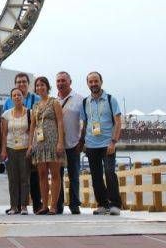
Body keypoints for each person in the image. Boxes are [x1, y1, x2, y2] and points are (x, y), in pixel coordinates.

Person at [80, 71, 123, 216]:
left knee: (110, 172)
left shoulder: (111, 99)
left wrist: (113, 141)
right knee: (96, 176)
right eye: (90, 82)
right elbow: (85, 123)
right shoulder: (85, 102)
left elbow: (118, 122)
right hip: (91, 144)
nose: (93, 84)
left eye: (96, 81)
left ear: (101, 82)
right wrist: (83, 141)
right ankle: (102, 204)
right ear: (87, 84)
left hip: (107, 144)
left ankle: (115, 204)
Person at [3, 72, 42, 213]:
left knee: (32, 177)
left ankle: (36, 205)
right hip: (12, 145)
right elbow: (5, 127)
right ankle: (15, 205)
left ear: (28, 83)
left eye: (24, 82)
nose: (21, 84)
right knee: (14, 178)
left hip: (30, 144)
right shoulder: (8, 103)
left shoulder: (36, 99)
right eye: (18, 82)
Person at [27, 76, 65, 215]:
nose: (40, 87)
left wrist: (60, 142)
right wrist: (31, 144)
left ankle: (54, 205)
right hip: (39, 143)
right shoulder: (35, 106)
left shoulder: (54, 102)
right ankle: (44, 205)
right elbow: (32, 126)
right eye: (37, 85)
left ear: (47, 87)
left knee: (55, 174)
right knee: (42, 174)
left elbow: (60, 122)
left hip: (53, 141)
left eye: (42, 85)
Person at [55, 71, 84, 215]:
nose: (60, 83)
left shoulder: (79, 99)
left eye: (63, 81)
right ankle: (58, 205)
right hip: (57, 144)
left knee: (74, 175)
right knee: (57, 176)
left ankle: (74, 204)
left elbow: (86, 121)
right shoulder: (53, 100)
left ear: (70, 82)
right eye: (58, 81)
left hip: (73, 143)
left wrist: (82, 140)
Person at [1, 87, 31, 215]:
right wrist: (3, 150)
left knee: (25, 178)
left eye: (19, 95)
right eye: (14, 95)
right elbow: (3, 134)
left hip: (24, 148)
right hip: (10, 148)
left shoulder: (30, 112)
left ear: (23, 97)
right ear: (11, 98)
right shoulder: (6, 114)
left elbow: (31, 132)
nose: (17, 97)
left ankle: (24, 206)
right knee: (12, 179)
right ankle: (14, 206)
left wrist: (30, 147)